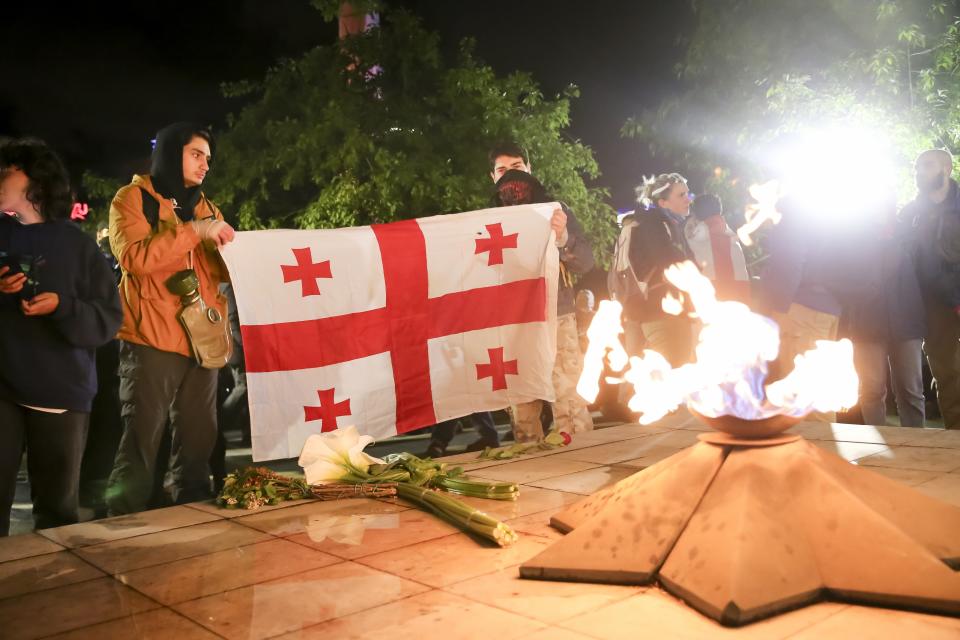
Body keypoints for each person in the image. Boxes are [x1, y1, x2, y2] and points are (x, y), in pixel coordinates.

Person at [105, 122, 236, 514]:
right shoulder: (131, 199)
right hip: (150, 337)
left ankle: (192, 517)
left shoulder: (206, 207)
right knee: (142, 438)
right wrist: (195, 232)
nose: (205, 166)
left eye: (208, 159)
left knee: (199, 438)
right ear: (169, 152)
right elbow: (135, 259)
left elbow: (216, 272)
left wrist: (240, 258)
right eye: (196, 154)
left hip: (203, 339)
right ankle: (123, 524)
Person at [0, 138, 122, 535]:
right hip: (3, 387)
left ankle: (56, 591)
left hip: (61, 393)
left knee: (56, 517)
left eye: (8, 170)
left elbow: (107, 320)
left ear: (36, 180)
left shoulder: (78, 246)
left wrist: (62, 306)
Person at [486, 149, 595, 442]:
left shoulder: (557, 211)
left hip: (557, 316)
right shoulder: (485, 221)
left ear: (530, 169)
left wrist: (562, 237)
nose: (510, 173)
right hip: (511, 323)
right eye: (502, 169)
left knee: (568, 399)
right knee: (522, 407)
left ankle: (584, 461)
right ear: (492, 177)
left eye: (517, 166)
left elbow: (586, 261)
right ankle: (532, 471)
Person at [846, 193, 926, 427]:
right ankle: (876, 449)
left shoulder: (910, 233)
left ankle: (917, 447)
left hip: (908, 321)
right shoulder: (854, 237)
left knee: (911, 392)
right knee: (871, 390)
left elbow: (926, 273)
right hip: (866, 324)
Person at [904, 149, 960, 428]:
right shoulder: (910, 214)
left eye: (927, 165)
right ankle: (955, 439)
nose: (919, 172)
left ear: (947, 169)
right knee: (947, 371)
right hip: (935, 305)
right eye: (917, 167)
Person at [622, 173, 698, 366]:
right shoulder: (655, 224)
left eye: (688, 194)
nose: (688, 199)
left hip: (664, 311)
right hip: (662, 312)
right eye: (681, 195)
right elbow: (668, 261)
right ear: (663, 202)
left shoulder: (669, 226)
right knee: (671, 376)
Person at [685, 193, 751, 305]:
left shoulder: (697, 231)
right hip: (740, 286)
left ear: (696, 213)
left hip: (714, 286)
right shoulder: (727, 229)